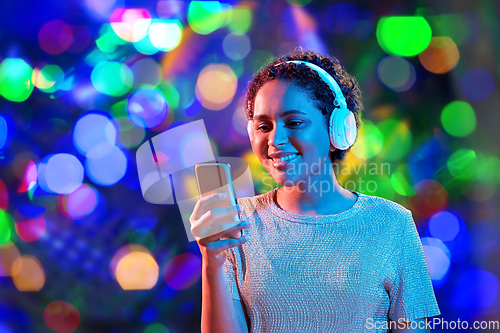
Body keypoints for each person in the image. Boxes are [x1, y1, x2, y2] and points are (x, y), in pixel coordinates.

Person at [190, 48, 440, 333]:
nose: (275, 140)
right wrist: (213, 262)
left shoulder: (393, 224)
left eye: (294, 122)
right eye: (263, 126)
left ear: (337, 131)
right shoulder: (235, 223)